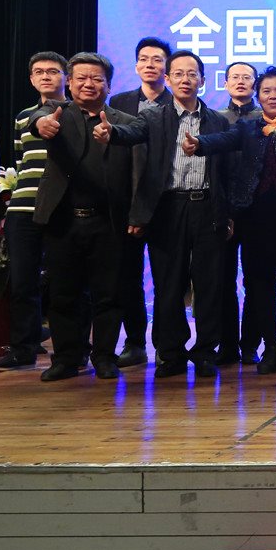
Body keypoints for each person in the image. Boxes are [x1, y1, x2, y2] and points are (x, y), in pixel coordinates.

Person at [97, 50, 231, 379]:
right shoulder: (154, 117)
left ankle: (205, 352)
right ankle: (170, 353)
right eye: (179, 74)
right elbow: (131, 133)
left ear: (202, 80)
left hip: (207, 207)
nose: (186, 80)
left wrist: (227, 214)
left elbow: (227, 172)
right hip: (168, 209)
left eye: (192, 74)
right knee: (168, 285)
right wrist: (112, 133)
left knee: (209, 284)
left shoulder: (217, 121)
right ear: (168, 79)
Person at [186, 66, 276, 375]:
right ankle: (270, 348)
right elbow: (223, 139)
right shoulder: (247, 128)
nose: (273, 96)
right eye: (266, 91)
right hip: (255, 221)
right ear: (258, 96)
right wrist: (200, 144)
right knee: (260, 287)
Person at [30, 52, 142, 382]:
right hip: (63, 221)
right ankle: (67, 358)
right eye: (81, 78)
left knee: (108, 295)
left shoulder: (124, 120)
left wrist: (113, 134)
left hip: (108, 221)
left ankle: (104, 356)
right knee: (64, 294)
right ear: (69, 82)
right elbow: (38, 117)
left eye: (97, 79)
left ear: (109, 85)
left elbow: (138, 136)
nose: (88, 84)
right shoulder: (56, 112)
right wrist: (41, 124)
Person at [0, 51, 68, 370]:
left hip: (62, 208)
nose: (46, 76)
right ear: (32, 79)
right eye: (39, 71)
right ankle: (23, 347)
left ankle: (70, 349)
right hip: (23, 208)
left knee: (65, 283)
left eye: (53, 71)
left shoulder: (79, 113)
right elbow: (21, 160)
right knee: (23, 281)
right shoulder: (24, 116)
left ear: (66, 76)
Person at [107, 36, 173, 368]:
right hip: (125, 203)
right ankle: (134, 342)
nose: (150, 64)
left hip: (166, 206)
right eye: (144, 59)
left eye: (157, 59)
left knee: (166, 280)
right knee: (127, 278)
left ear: (167, 68)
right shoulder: (118, 103)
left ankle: (164, 343)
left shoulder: (179, 105)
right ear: (135, 66)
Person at [217, 61, 263, 365]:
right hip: (222, 209)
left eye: (247, 77)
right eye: (235, 77)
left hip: (258, 212)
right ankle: (227, 345)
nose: (241, 81)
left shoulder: (268, 118)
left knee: (256, 281)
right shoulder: (215, 118)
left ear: (255, 84)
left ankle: (250, 345)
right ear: (225, 83)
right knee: (222, 281)